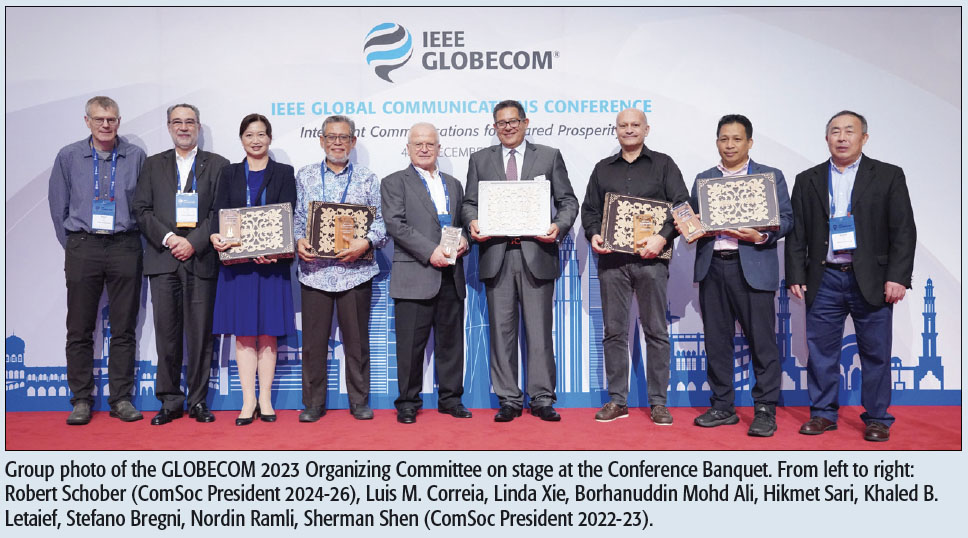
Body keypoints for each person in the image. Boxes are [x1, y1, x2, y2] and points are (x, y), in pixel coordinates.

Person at [786, 110, 916, 442]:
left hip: (871, 278)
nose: (841, 137)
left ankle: (877, 418)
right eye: (834, 131)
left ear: (864, 138)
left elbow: (903, 230)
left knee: (875, 352)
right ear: (826, 138)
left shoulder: (887, 176)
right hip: (824, 277)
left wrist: (898, 276)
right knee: (821, 352)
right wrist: (795, 274)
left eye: (849, 131)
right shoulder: (808, 178)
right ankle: (824, 414)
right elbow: (797, 234)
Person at [462, 100, 579, 422]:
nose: (508, 127)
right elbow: (469, 203)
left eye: (514, 121)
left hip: (536, 254)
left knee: (539, 331)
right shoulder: (479, 160)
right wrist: (472, 223)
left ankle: (541, 397)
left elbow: (567, 200)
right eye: (501, 123)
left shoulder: (549, 156)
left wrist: (560, 226)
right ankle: (509, 399)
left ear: (526, 123)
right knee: (501, 332)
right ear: (494, 127)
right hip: (497, 255)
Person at [680, 114, 793, 437]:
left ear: (749, 143)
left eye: (736, 139)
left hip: (753, 265)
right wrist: (690, 224)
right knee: (716, 342)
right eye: (724, 139)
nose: (729, 145)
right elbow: (690, 218)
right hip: (713, 267)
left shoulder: (769, 177)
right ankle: (722, 406)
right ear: (717, 142)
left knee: (763, 342)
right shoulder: (704, 179)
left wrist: (760, 236)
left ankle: (764, 409)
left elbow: (786, 219)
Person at [580, 108, 688, 425]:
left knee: (656, 331)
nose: (629, 130)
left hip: (652, 261)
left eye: (635, 125)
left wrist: (663, 238)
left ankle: (658, 403)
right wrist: (594, 233)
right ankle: (618, 401)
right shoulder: (602, 169)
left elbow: (682, 206)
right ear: (616, 130)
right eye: (623, 125)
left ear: (646, 129)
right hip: (612, 261)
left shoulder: (664, 165)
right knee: (614, 332)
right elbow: (589, 211)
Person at [48, 96, 146, 425]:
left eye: (112, 119)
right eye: (100, 119)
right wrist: (75, 245)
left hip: (125, 245)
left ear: (119, 121)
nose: (106, 125)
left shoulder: (135, 156)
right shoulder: (69, 156)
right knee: (79, 328)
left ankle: (121, 398)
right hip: (83, 246)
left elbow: (144, 206)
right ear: (87, 121)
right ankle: (80, 399)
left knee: (124, 328)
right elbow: (57, 206)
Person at [133, 104, 228, 425]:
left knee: (200, 335)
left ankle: (198, 401)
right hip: (163, 260)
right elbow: (142, 210)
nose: (184, 127)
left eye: (190, 122)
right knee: (167, 336)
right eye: (177, 122)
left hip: (201, 258)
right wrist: (171, 239)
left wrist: (194, 242)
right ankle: (170, 401)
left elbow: (220, 212)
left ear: (199, 127)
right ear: (169, 126)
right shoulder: (151, 165)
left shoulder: (217, 165)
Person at [294, 115, 388, 422]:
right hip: (315, 274)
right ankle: (312, 403)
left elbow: (382, 225)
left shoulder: (367, 178)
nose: (337, 143)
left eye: (343, 138)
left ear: (353, 142)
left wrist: (367, 242)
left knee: (357, 343)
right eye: (331, 137)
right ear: (321, 141)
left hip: (355, 274)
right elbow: (297, 220)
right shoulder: (305, 176)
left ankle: (359, 401)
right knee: (313, 344)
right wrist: (298, 241)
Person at [209, 114, 296, 426]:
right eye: (249, 135)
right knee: (245, 335)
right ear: (241, 139)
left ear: (270, 138)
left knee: (268, 334)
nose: (256, 140)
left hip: (271, 266)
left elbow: (289, 214)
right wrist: (214, 236)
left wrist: (275, 251)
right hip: (238, 267)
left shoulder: (284, 172)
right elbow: (217, 213)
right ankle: (247, 401)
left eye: (261, 134)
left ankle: (266, 399)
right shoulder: (229, 173)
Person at [381, 122, 471, 424]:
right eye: (417, 143)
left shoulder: (455, 185)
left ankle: (450, 399)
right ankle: (407, 402)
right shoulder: (394, 183)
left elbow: (460, 223)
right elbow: (396, 224)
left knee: (451, 343)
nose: (423, 148)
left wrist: (465, 241)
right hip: (415, 273)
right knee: (409, 346)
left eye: (430, 144)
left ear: (439, 149)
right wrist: (429, 251)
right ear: (407, 148)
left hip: (451, 275)